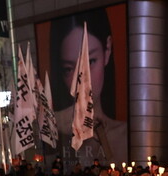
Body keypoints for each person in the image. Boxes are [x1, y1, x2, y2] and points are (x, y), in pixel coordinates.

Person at [50, 8, 127, 164]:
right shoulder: (54, 125)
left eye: (91, 61)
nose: (82, 80)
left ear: (107, 49)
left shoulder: (124, 134)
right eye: (69, 69)